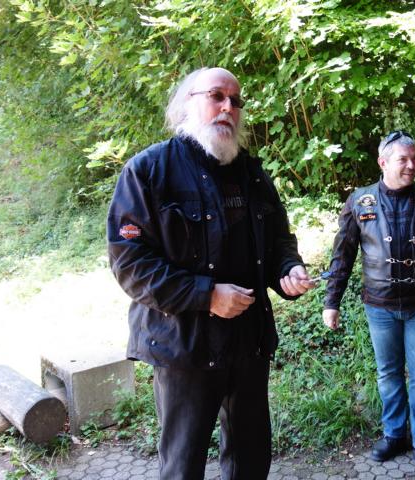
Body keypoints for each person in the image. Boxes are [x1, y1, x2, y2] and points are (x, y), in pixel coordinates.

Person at [107, 67, 315, 480]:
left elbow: (278, 240)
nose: (228, 107)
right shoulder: (149, 171)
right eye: (217, 96)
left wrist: (289, 269)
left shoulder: (253, 175)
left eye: (235, 101)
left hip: (249, 342)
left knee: (250, 459)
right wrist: (207, 295)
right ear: (188, 104)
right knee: (183, 465)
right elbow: (130, 263)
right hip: (184, 346)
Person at [321, 130, 415, 477]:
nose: (412, 165)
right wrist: (331, 302)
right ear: (383, 162)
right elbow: (342, 256)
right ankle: (394, 436)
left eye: (414, 158)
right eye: (404, 159)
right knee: (388, 373)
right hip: (380, 306)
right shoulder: (361, 202)